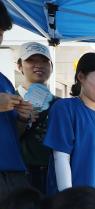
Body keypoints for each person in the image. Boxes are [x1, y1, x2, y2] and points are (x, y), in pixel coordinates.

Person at [43, 52, 95, 194]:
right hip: (72, 200)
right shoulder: (65, 108)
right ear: (81, 77)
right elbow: (61, 156)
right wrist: (69, 199)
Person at [0, 2, 35, 199]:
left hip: (14, 175)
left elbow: (14, 133)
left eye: (2, 31)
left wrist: (22, 118)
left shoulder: (3, 80)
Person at [16, 42, 58, 194]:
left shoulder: (61, 104)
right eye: (31, 60)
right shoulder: (9, 100)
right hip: (18, 175)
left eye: (44, 60)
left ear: (51, 67)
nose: (38, 65)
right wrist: (22, 119)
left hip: (54, 174)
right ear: (19, 66)